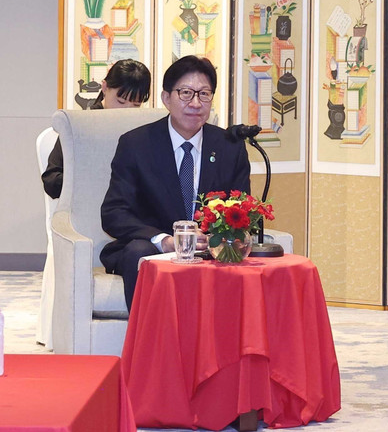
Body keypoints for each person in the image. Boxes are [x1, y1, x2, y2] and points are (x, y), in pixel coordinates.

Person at [100, 55, 250, 309]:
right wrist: (165, 240)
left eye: (204, 94)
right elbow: (114, 213)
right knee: (138, 252)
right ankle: (152, 343)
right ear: (166, 98)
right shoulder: (136, 144)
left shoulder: (229, 147)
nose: (195, 103)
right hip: (153, 247)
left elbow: (241, 209)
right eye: (186, 93)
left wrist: (216, 237)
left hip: (209, 249)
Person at [41, 59, 151, 199]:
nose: (126, 111)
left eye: (136, 105)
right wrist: (90, 180)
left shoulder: (143, 130)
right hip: (90, 208)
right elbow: (51, 180)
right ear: (105, 87)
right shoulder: (80, 126)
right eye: (121, 102)